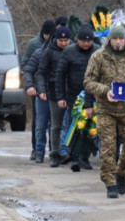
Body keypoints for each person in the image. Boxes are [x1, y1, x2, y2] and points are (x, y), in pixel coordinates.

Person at [84, 24, 125, 199]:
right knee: (108, 147)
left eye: (121, 38)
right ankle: (109, 181)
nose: (118, 42)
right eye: (115, 39)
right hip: (107, 109)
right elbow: (88, 81)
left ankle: (121, 172)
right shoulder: (99, 57)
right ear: (110, 39)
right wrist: (106, 91)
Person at [55, 25, 100, 171]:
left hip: (93, 95)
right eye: (83, 41)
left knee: (89, 127)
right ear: (77, 40)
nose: (86, 44)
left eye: (89, 41)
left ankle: (84, 156)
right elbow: (60, 75)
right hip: (74, 97)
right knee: (74, 126)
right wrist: (60, 96)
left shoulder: (97, 51)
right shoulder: (69, 52)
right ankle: (73, 156)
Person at [21, 20, 56, 161]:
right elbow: (27, 66)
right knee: (39, 122)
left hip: (54, 92)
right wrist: (31, 86)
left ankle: (55, 150)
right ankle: (37, 149)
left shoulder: (62, 49)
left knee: (55, 124)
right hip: (38, 89)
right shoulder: (34, 46)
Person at [37, 25, 71, 167]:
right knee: (56, 125)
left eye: (66, 40)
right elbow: (41, 72)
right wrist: (42, 89)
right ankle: (55, 153)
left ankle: (70, 152)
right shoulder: (49, 52)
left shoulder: (73, 51)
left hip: (72, 92)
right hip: (54, 93)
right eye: (61, 40)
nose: (63, 43)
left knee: (71, 124)